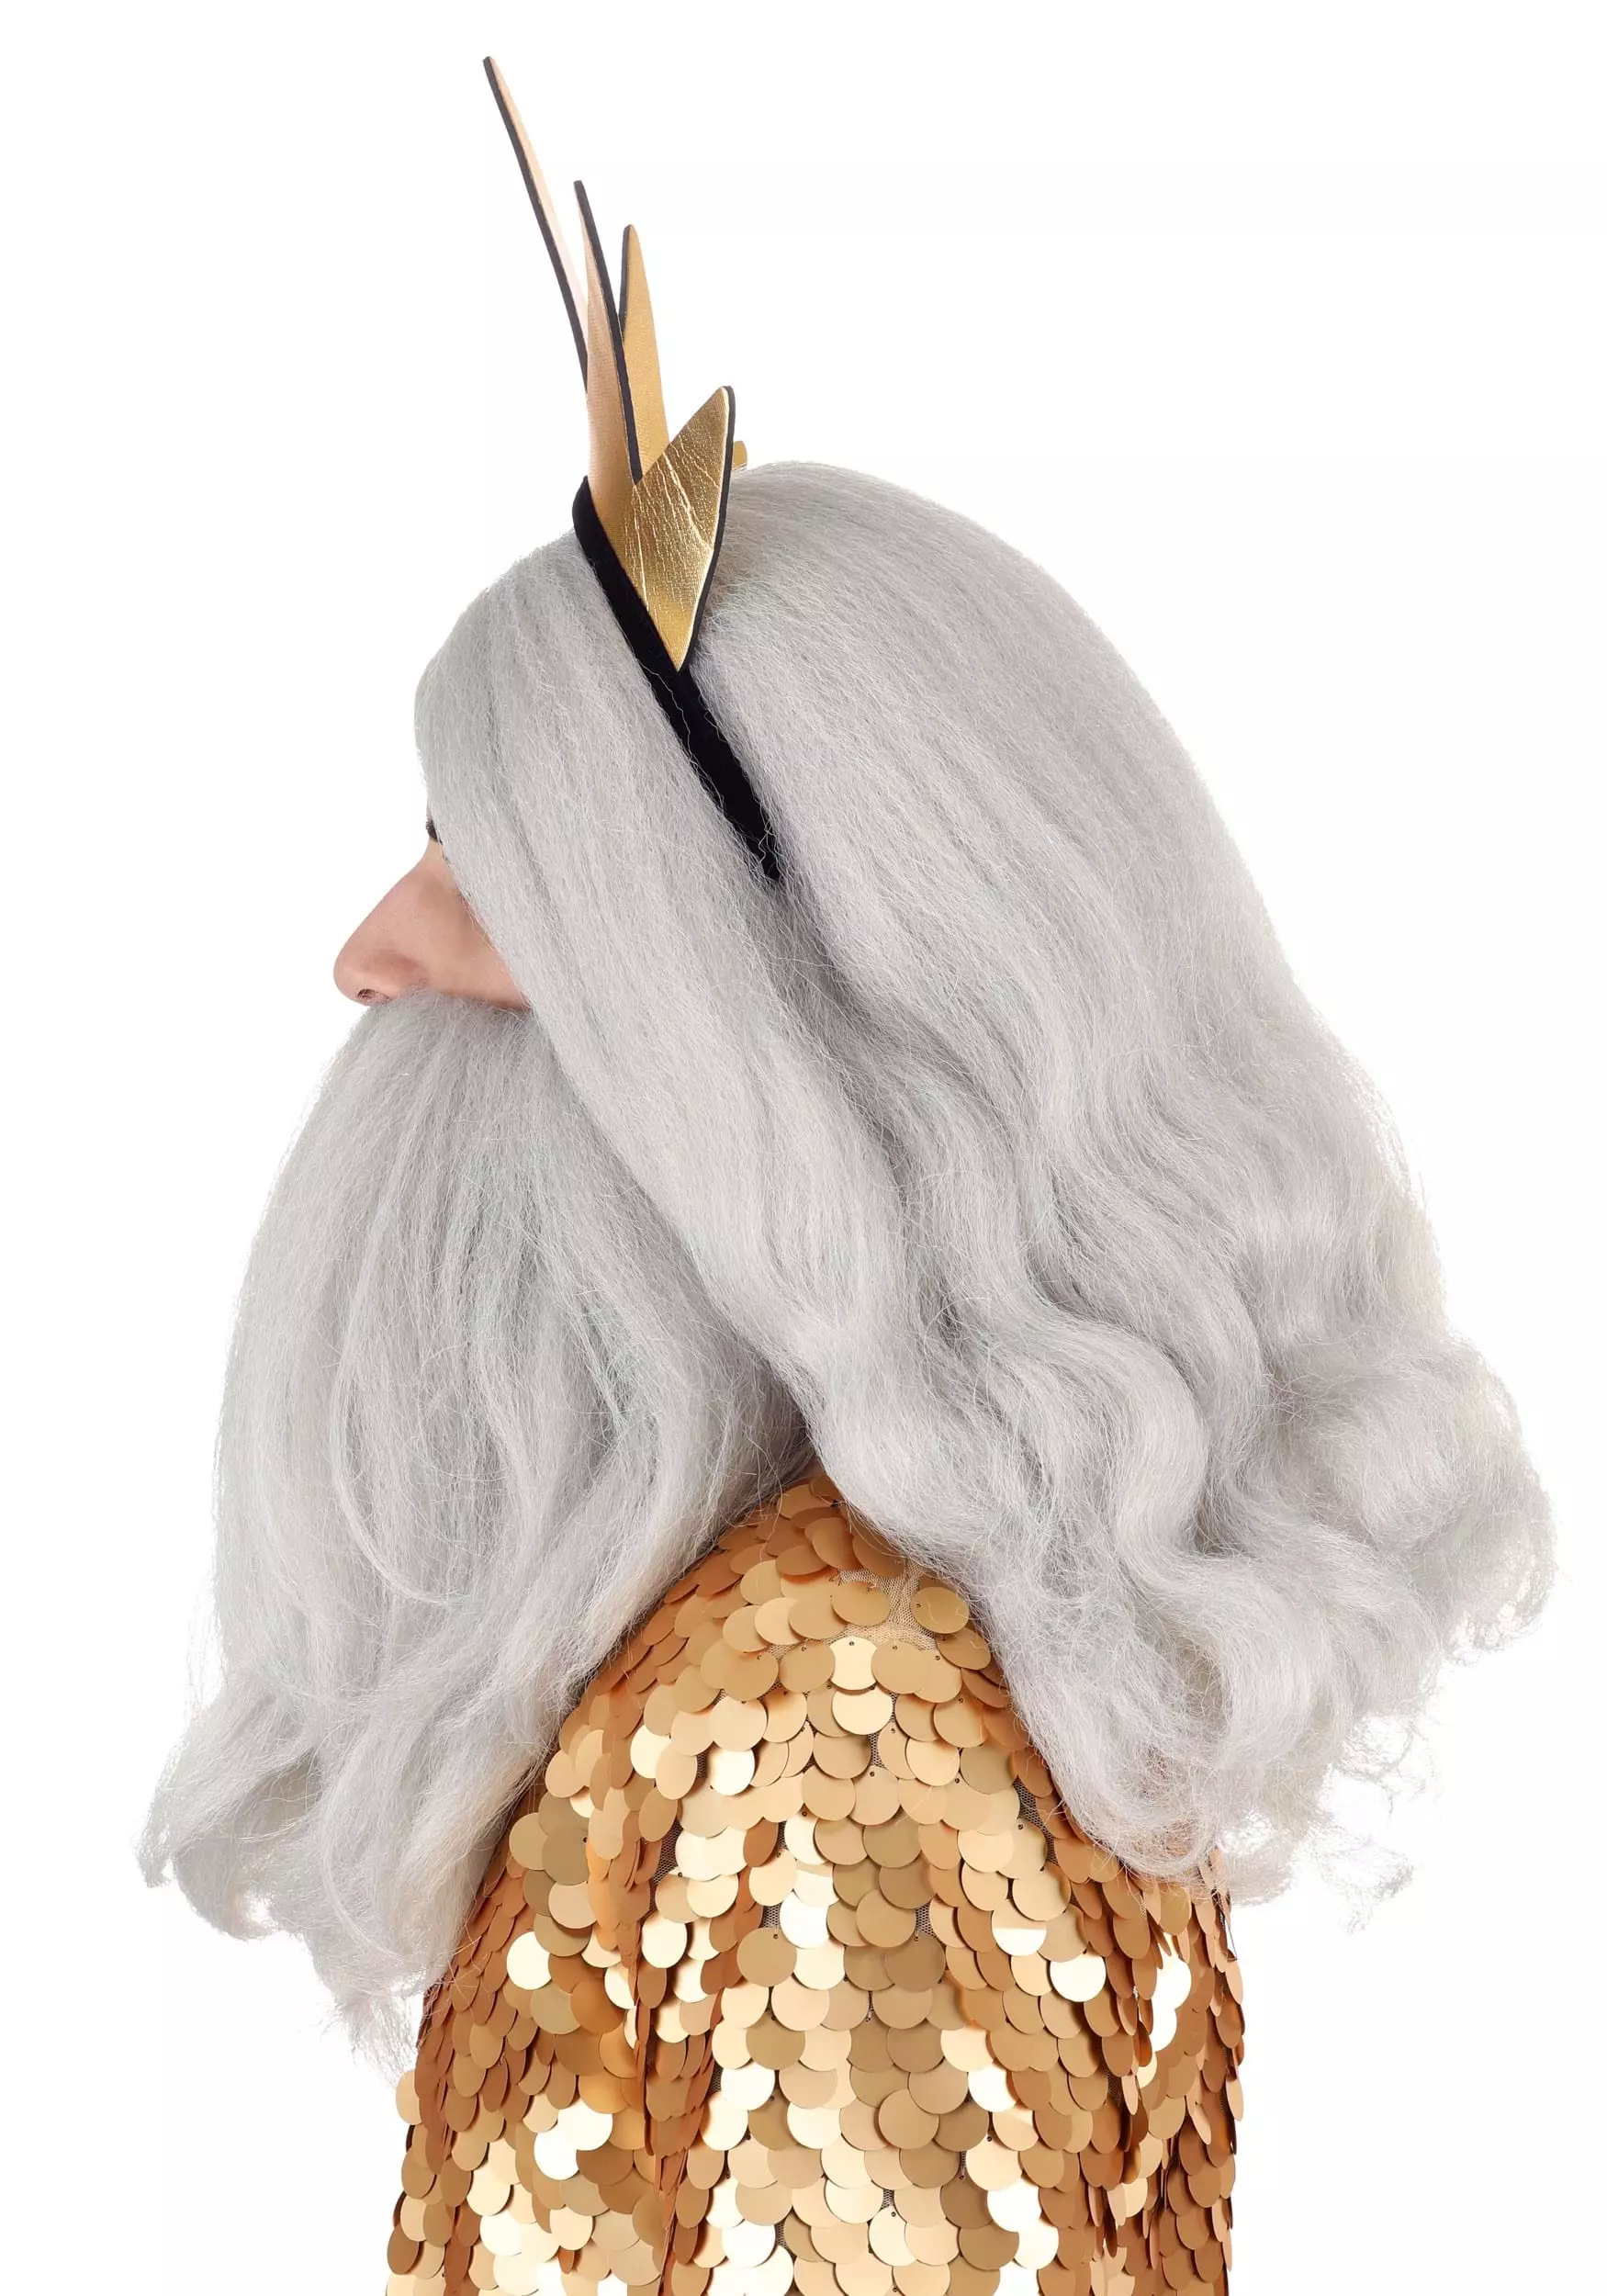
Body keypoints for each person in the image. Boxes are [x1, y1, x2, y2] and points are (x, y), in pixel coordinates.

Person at [140, 60, 1552, 2296]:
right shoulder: (823, 1667)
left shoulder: (826, 1724)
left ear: (731, 1050)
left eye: (483, 876)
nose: (373, 951)